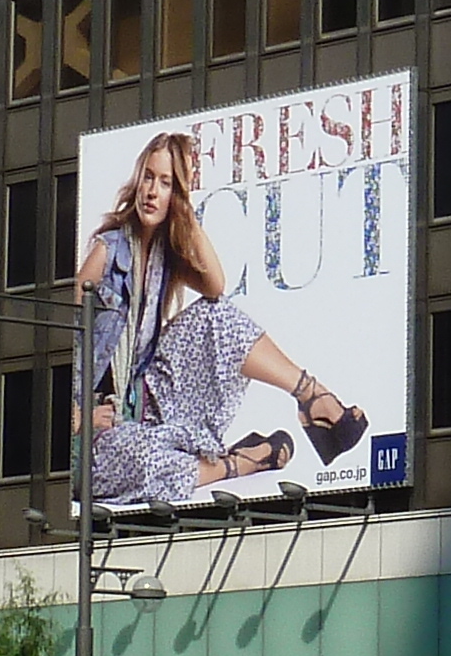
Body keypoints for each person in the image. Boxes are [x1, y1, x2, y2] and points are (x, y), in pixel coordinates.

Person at [81, 131, 365, 508]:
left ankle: (312, 397)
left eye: (166, 183)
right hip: (104, 429)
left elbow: (216, 286)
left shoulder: (166, 254)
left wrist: (186, 213)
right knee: (145, 462)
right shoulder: (107, 251)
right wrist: (78, 414)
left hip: (150, 399)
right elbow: (67, 342)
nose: (152, 190)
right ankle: (241, 462)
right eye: (148, 177)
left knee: (218, 317)